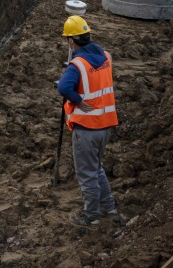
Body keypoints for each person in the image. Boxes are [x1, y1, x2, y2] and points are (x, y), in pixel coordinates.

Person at [56, 16, 122, 227]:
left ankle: (91, 215)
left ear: (71, 41)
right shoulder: (106, 57)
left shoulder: (77, 65)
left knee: (86, 174)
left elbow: (64, 88)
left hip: (86, 128)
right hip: (105, 125)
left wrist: (78, 100)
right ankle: (109, 207)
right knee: (96, 168)